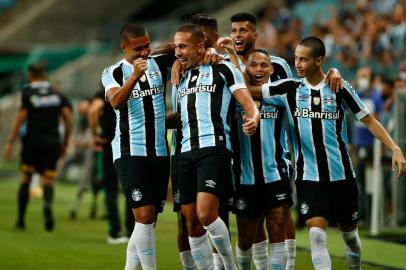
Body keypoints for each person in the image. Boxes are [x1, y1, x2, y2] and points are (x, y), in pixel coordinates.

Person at [249, 36, 406, 270]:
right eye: (296, 59)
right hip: (309, 178)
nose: (298, 64)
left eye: (303, 59)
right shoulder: (288, 89)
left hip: (342, 176)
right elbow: (248, 90)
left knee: (350, 238)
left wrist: (394, 147)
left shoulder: (339, 87)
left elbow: (369, 120)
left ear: (319, 60)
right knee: (316, 236)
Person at [173, 23, 259, 270]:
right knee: (190, 223)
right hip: (185, 151)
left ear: (200, 47)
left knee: (206, 214)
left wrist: (253, 118)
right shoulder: (182, 74)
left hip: (214, 147)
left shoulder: (223, 68)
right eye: (176, 46)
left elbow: (247, 102)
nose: (177, 52)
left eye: (182, 46)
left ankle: (230, 267)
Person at [102, 23, 177, 269]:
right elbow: (115, 101)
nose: (144, 52)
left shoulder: (158, 62)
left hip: (158, 151)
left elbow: (183, 48)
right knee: (143, 217)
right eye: (138, 48)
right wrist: (135, 75)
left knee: (148, 221)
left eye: (147, 45)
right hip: (129, 151)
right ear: (124, 47)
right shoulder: (113, 72)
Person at [5, 63, 72, 231]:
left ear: (30, 75)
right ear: (44, 75)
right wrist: (66, 141)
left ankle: (20, 220)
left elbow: (21, 117)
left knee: (26, 178)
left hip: (32, 142)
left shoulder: (28, 92)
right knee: (48, 179)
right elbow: (67, 116)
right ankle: (48, 206)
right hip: (52, 142)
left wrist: (10, 141)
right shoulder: (57, 93)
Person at [88, 88, 134, 244]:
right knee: (132, 189)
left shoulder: (105, 91)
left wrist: (94, 136)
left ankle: (114, 232)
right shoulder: (131, 88)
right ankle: (131, 231)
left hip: (108, 144)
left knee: (110, 190)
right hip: (130, 144)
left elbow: (93, 110)